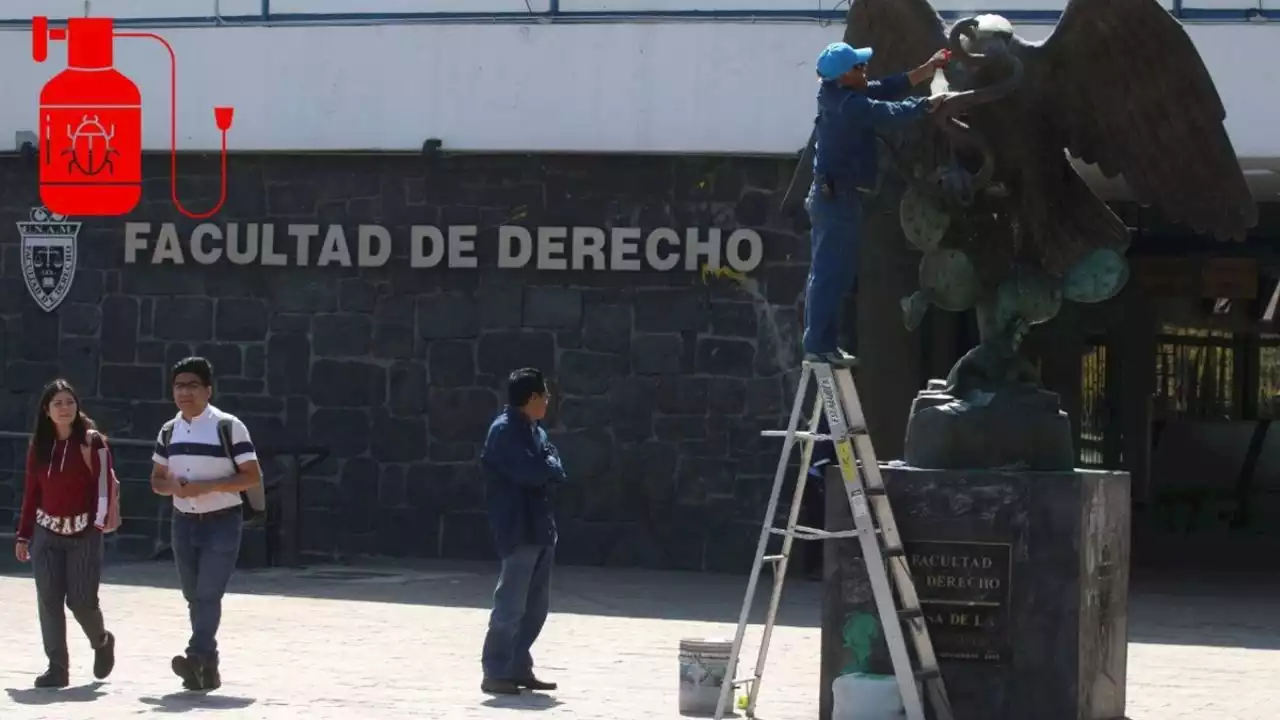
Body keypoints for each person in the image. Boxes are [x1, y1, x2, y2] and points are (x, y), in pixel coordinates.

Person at [803, 41, 953, 367]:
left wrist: (928, 68)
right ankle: (817, 344)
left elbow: (886, 87)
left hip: (840, 198)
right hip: (836, 201)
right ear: (844, 76)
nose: (865, 69)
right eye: (859, 67)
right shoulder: (847, 105)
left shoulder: (843, 94)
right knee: (830, 274)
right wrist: (927, 105)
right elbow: (887, 112)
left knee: (835, 275)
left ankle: (823, 343)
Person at [149, 356, 262, 692]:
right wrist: (174, 488)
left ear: (208, 390)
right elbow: (156, 479)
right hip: (183, 521)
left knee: (208, 592)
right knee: (192, 594)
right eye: (179, 386)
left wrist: (208, 486)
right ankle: (207, 668)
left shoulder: (228, 426)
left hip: (222, 521)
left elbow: (251, 475)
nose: (185, 392)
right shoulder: (169, 430)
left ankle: (196, 654)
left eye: (192, 385)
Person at [13, 378, 117, 688]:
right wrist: (23, 534)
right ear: (46, 410)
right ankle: (57, 667)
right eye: (57, 403)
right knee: (49, 600)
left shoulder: (92, 441)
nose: (64, 408)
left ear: (77, 406)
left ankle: (101, 641)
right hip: (46, 534)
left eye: (69, 402)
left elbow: (104, 486)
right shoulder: (39, 446)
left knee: (82, 601)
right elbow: (32, 492)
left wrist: (95, 526)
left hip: (84, 533)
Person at [479, 368, 567, 695]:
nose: (547, 402)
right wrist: (546, 465)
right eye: (544, 396)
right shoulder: (503, 432)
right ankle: (496, 670)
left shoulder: (535, 430)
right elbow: (532, 472)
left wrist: (546, 464)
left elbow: (555, 466)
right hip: (518, 526)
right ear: (530, 398)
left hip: (540, 526)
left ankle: (519, 666)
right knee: (511, 604)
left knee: (535, 606)